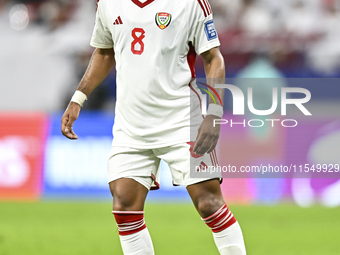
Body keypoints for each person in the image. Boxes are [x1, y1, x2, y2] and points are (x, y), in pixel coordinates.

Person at [61, 0, 246, 254]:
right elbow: (105, 51)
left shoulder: (191, 3)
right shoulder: (108, 3)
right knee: (125, 205)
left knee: (208, 202)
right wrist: (78, 97)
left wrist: (214, 113)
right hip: (131, 124)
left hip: (181, 120)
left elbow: (213, 58)